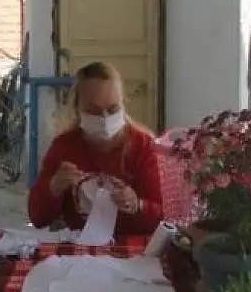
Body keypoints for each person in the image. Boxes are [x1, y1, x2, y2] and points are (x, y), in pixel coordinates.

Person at [27, 61, 163, 236]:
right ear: (78, 109)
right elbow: (37, 219)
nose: (105, 119)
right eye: (93, 111)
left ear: (123, 105)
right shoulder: (63, 147)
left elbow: (166, 220)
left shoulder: (144, 147)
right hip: (81, 249)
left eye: (113, 109)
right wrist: (54, 188)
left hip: (132, 251)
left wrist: (138, 205)